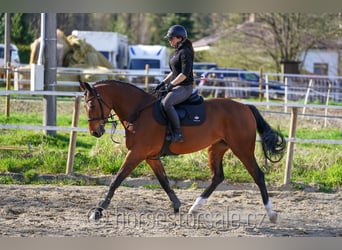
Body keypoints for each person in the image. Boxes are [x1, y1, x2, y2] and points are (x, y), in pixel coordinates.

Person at [155, 24, 194, 143]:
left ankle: (178, 133)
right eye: (169, 38)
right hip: (176, 85)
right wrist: (163, 83)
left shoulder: (185, 52)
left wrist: (171, 84)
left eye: (171, 38)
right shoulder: (175, 53)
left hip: (185, 87)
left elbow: (184, 74)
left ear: (180, 38)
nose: (169, 40)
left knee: (167, 103)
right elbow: (173, 72)